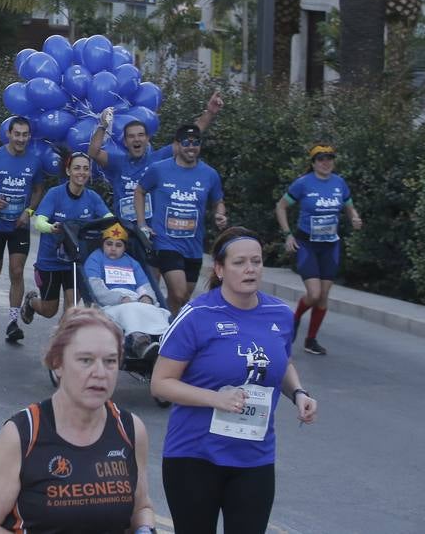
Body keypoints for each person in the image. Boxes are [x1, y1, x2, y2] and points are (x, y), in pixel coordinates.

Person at [151, 228, 318, 534]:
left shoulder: (280, 314)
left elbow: (281, 362)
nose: (250, 269)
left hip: (254, 457)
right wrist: (215, 399)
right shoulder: (197, 315)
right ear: (219, 268)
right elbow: (160, 383)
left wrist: (298, 392)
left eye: (256, 261)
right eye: (239, 262)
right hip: (195, 456)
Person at [0, 308, 156, 534]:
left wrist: (145, 529)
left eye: (110, 361)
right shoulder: (24, 433)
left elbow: (141, 508)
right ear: (57, 363)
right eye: (86, 360)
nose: (100, 372)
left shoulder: (130, 429)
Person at [275, 144, 363, 356]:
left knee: (323, 296)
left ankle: (311, 339)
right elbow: (281, 206)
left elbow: (349, 205)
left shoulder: (339, 183)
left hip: (330, 245)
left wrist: (354, 217)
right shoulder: (303, 184)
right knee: (313, 294)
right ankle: (294, 319)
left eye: (329, 158)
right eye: (321, 159)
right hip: (307, 244)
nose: (326, 163)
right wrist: (288, 235)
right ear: (313, 163)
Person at [87, 91, 223, 227]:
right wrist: (103, 125)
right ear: (125, 142)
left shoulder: (159, 159)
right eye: (131, 136)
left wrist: (209, 112)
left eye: (140, 135)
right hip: (123, 231)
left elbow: (188, 138)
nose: (136, 139)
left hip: (151, 231)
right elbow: (93, 152)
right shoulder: (118, 161)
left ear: (147, 139)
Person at [132, 123, 228, 315]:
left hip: (193, 247)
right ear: (177, 145)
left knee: (182, 299)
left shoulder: (209, 174)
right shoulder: (159, 169)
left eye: (196, 143)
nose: (191, 147)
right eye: (186, 142)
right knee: (179, 292)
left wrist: (220, 214)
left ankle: (167, 329)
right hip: (165, 243)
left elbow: (218, 201)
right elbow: (139, 191)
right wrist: (142, 223)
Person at [21, 152, 112, 332]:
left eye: (86, 169)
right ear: (68, 171)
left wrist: (116, 228)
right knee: (48, 310)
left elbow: (109, 219)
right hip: (50, 261)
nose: (82, 172)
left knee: (72, 307)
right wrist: (51, 227)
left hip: (76, 261)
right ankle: (31, 302)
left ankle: (60, 345)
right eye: (77, 168)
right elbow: (39, 221)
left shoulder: (92, 197)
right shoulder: (55, 194)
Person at [0, 116, 46, 344]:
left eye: (25, 135)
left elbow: (38, 188)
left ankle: (12, 323)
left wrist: (29, 212)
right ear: (9, 134)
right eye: (17, 134)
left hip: (19, 225)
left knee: (16, 271)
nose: (21, 139)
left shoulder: (34, 161)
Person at [83, 222, 170, 359]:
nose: (113, 248)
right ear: (103, 244)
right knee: (129, 312)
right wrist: (119, 299)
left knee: (155, 311)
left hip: (135, 299)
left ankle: (165, 342)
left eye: (118, 245)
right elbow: (96, 289)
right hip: (112, 301)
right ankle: (140, 344)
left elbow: (144, 285)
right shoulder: (96, 258)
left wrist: (147, 297)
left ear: (125, 247)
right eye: (109, 244)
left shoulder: (132, 262)